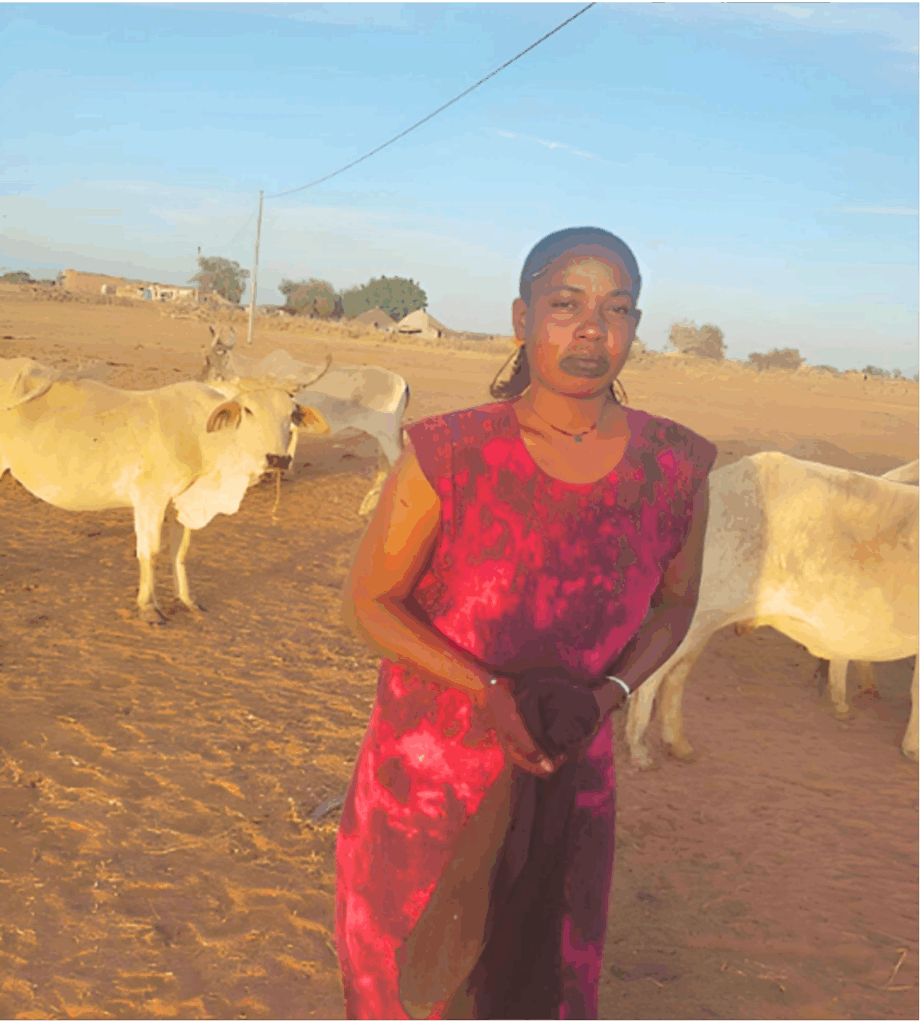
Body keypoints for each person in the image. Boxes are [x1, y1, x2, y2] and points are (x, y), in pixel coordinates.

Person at [336, 227, 717, 1020]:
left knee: (546, 980)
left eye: (615, 310)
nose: (590, 328)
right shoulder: (450, 453)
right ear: (521, 317)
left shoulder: (675, 466)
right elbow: (370, 601)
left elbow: (674, 603)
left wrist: (610, 692)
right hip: (430, 785)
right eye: (565, 305)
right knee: (413, 985)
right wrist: (488, 690)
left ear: (634, 329)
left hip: (569, 777)